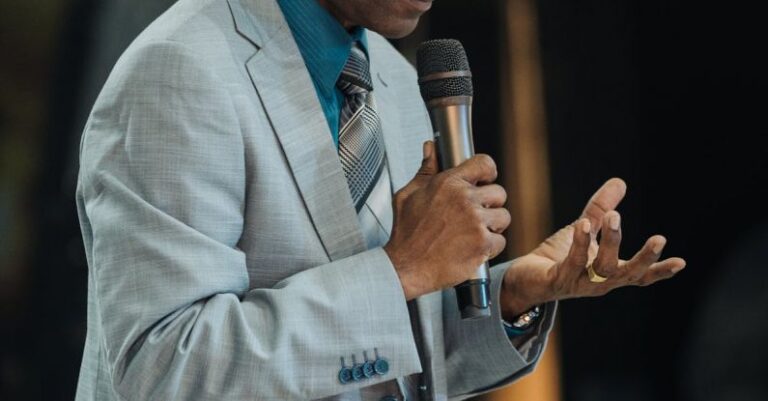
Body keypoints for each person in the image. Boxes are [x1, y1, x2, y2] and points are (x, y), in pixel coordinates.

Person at [74, 0, 687, 400]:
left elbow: (383, 364)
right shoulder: (181, 67)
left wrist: (511, 294)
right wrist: (402, 269)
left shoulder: (393, 79)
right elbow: (160, 374)